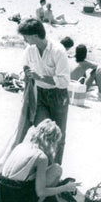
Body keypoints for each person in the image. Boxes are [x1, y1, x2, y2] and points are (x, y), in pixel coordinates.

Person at [0, 119, 79, 202]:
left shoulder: (21, 146)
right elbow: (41, 192)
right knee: (56, 170)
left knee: (43, 175)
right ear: (51, 141)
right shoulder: (41, 157)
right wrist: (65, 188)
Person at [20, 18, 70, 165]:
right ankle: (40, 167)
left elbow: (64, 81)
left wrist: (40, 77)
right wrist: (25, 73)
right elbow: (24, 67)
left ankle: (54, 169)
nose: (24, 39)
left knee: (58, 136)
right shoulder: (30, 50)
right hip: (39, 93)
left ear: (35, 35)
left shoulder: (58, 50)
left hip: (58, 96)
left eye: (26, 36)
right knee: (41, 132)